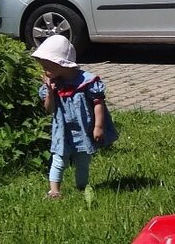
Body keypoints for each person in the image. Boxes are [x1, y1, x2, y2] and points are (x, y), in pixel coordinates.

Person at [34, 34, 116, 199]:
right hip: (62, 129)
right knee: (59, 159)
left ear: (61, 63)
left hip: (84, 128)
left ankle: (82, 186)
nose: (44, 71)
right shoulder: (53, 85)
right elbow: (49, 109)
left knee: (83, 160)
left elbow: (98, 104)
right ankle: (54, 191)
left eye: (47, 66)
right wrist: (50, 92)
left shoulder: (86, 82)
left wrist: (98, 126)